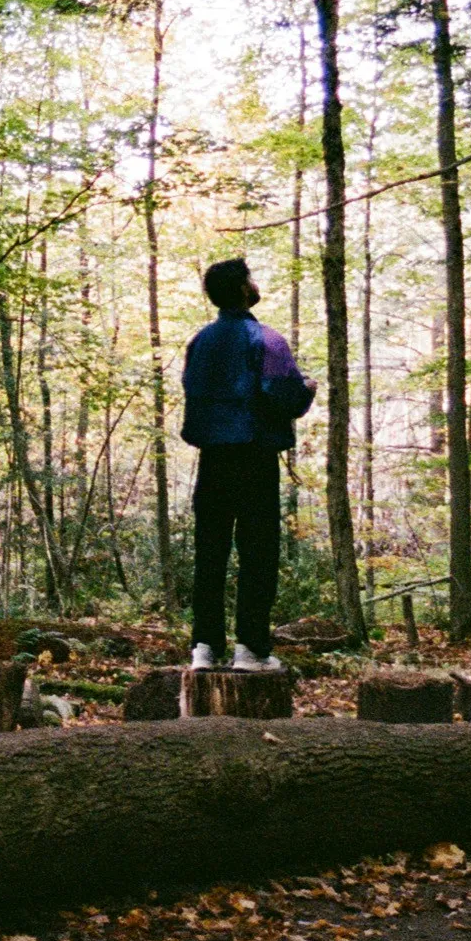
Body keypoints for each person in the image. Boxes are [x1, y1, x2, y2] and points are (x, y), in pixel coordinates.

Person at [179, 256, 314, 672]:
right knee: (258, 552)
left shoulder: (201, 342)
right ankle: (250, 649)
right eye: (250, 279)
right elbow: (282, 395)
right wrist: (306, 388)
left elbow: (193, 392)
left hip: (213, 459)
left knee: (210, 550)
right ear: (242, 289)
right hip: (254, 456)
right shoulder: (266, 340)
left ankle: (204, 647)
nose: (255, 284)